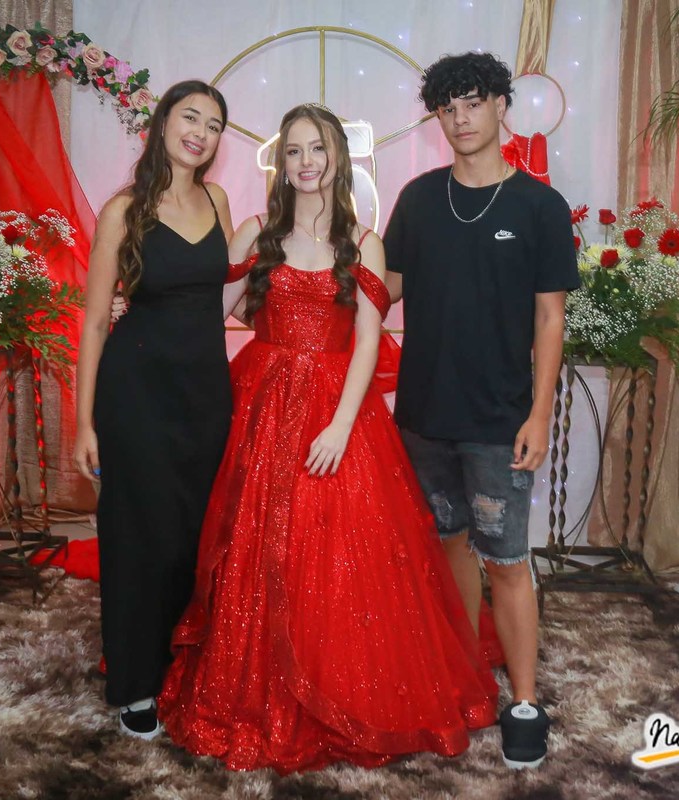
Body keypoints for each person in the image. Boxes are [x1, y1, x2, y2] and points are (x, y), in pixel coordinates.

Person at [157, 103, 498, 773]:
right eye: (293, 151)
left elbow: (370, 339)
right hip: (263, 404)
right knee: (257, 544)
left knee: (344, 554)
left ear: (337, 158)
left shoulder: (364, 242)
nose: (306, 161)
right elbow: (208, 313)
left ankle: (341, 683)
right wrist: (137, 310)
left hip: (339, 408)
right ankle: (260, 688)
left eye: (317, 149)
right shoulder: (256, 233)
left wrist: (341, 424)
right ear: (281, 164)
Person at [382, 52, 580, 770]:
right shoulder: (417, 199)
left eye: (472, 103)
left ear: (501, 106)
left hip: (500, 420)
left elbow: (551, 318)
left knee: (508, 561)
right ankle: (465, 681)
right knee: (450, 551)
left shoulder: (540, 207)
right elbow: (383, 289)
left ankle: (523, 701)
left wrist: (539, 414)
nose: (460, 119)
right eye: (448, 108)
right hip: (423, 415)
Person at [73, 80, 239, 741]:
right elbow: (93, 322)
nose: (201, 132)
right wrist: (84, 422)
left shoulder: (218, 201)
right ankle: (135, 682)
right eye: (190, 117)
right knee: (139, 536)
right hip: (136, 393)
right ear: (164, 123)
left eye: (214, 124)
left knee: (193, 535)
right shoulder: (124, 210)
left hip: (205, 393)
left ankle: (181, 662)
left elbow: (223, 301)